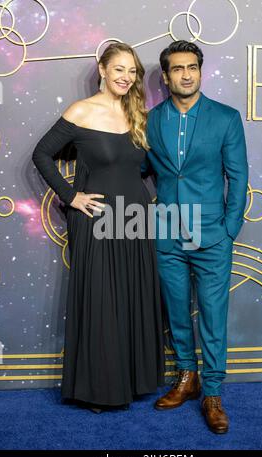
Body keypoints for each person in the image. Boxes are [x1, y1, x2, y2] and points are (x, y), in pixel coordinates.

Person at [32, 42, 164, 413]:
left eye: (132, 71)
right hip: (96, 220)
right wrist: (70, 196)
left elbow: (141, 167)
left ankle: (134, 380)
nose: (126, 77)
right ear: (102, 70)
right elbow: (41, 153)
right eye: (119, 69)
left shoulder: (137, 112)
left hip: (134, 217)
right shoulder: (81, 111)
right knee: (103, 300)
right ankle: (100, 389)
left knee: (132, 294)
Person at [145, 40, 248, 433]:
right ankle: (187, 378)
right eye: (177, 69)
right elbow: (140, 167)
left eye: (192, 67)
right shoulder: (151, 120)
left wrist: (229, 230)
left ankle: (213, 391)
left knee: (213, 315)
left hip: (212, 235)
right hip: (168, 233)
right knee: (176, 311)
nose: (186, 74)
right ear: (166, 76)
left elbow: (237, 176)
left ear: (200, 71)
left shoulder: (226, 117)